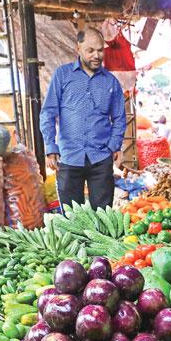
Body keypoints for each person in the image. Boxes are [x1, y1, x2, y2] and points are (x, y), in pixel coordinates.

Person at [41, 28, 127, 209]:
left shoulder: (111, 81)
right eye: (90, 50)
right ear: (78, 48)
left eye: (100, 50)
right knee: (72, 217)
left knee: (104, 215)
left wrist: (113, 144)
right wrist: (50, 146)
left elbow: (119, 118)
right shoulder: (62, 75)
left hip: (101, 157)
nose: (96, 55)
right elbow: (48, 112)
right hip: (69, 156)